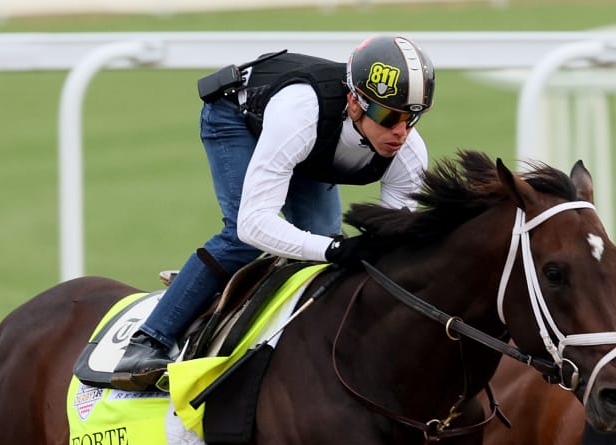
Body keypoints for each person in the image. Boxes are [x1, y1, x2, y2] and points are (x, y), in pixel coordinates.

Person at [111, 34, 435, 390]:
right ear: (354, 103)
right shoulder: (301, 113)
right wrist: (337, 250)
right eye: (389, 116)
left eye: (412, 118)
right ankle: (149, 340)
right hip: (236, 116)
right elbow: (254, 224)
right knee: (241, 238)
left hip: (308, 147)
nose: (401, 132)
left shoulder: (409, 154)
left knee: (321, 248)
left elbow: (393, 251)